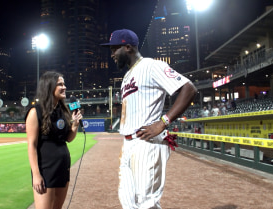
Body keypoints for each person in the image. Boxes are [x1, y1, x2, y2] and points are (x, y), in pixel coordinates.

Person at [101, 29, 197, 209]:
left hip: (147, 143)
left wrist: (163, 122)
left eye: (114, 49)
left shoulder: (151, 66)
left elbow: (189, 89)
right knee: (128, 202)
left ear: (128, 47)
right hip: (129, 143)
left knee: (147, 203)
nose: (112, 54)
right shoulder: (127, 77)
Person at [25, 71, 83, 209]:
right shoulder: (35, 112)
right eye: (60, 84)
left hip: (62, 168)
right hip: (46, 170)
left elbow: (68, 139)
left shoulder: (62, 111)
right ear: (49, 87)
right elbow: (31, 146)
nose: (64, 87)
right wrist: (36, 174)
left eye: (64, 84)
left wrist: (74, 125)